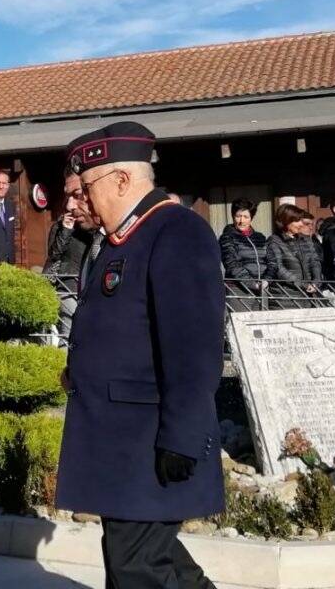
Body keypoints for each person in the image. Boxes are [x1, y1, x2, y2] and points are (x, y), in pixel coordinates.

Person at [56, 122, 224, 589]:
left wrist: (184, 436)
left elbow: (193, 347)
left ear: (123, 180)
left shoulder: (175, 231)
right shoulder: (118, 240)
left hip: (150, 439)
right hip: (120, 441)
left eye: (85, 189)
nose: (78, 203)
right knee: (155, 563)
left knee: (137, 570)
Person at [45, 169, 96, 339]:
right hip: (68, 285)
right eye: (69, 198)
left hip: (88, 284)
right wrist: (66, 230)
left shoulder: (92, 227)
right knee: (69, 333)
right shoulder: (59, 226)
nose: (71, 205)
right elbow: (54, 253)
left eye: (77, 195)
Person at [264, 204, 323, 306]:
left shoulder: (305, 239)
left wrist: (316, 282)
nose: (301, 224)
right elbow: (278, 268)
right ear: (285, 221)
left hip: (308, 298)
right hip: (285, 299)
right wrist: (303, 284)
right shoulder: (274, 241)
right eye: (297, 221)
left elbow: (315, 262)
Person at [219, 198, 268, 310]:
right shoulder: (227, 237)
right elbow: (231, 263)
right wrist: (252, 283)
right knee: (241, 324)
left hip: (262, 289)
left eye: (246, 217)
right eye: (238, 216)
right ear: (233, 216)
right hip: (238, 289)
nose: (241, 221)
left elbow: (269, 260)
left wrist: (266, 280)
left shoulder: (260, 237)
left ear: (251, 218)